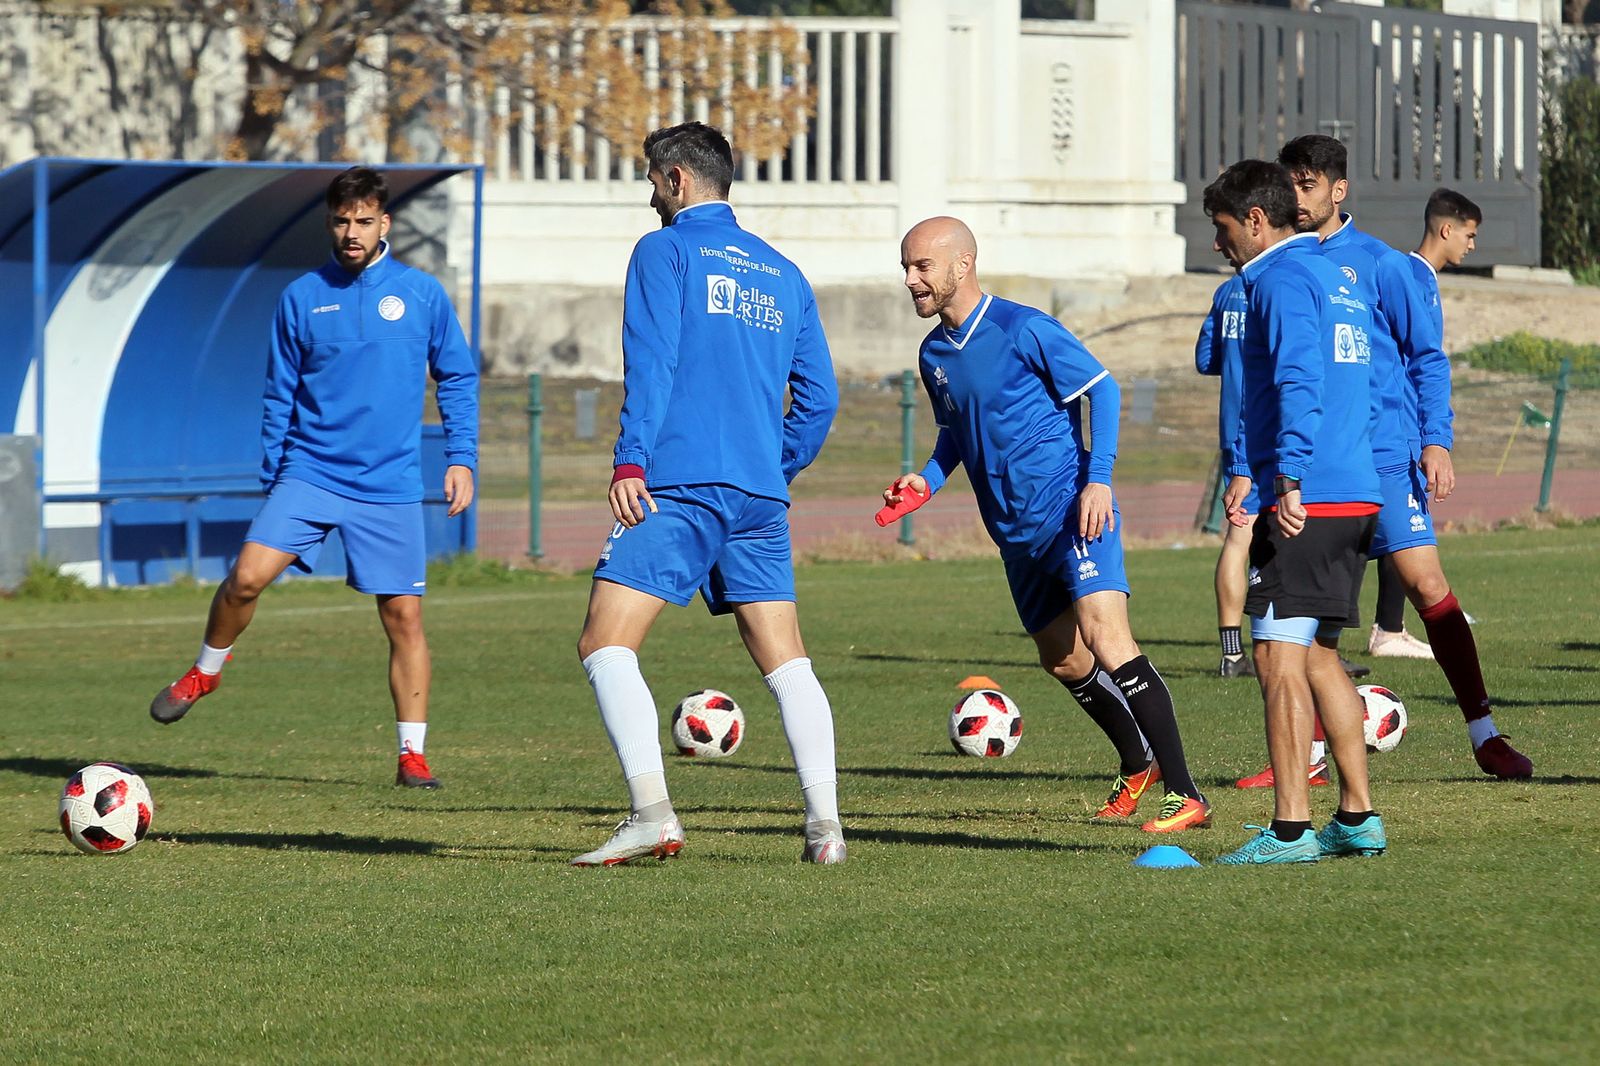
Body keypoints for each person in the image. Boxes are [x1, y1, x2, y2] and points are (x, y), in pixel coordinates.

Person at [147, 166, 479, 790]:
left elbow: (456, 377)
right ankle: (205, 671)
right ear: (329, 223)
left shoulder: (422, 294)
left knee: (403, 619)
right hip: (311, 471)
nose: (352, 232)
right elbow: (280, 392)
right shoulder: (301, 297)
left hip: (388, 485)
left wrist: (462, 458)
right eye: (341, 221)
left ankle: (412, 755)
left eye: (364, 221)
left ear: (384, 223)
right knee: (245, 578)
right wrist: (276, 474)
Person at [572, 121, 843, 867]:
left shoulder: (665, 250)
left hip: (679, 482)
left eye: (652, 182)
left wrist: (631, 463)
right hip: (758, 496)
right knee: (786, 660)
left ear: (677, 180)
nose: (650, 198)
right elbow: (820, 399)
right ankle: (826, 830)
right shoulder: (783, 272)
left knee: (605, 642)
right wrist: (771, 466)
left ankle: (652, 816)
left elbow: (651, 362)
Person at [884, 216, 1209, 833]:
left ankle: (1187, 794)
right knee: (1063, 660)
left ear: (962, 264)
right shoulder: (933, 354)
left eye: (921, 266)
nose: (910, 280)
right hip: (1014, 533)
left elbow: (1102, 390)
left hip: (1072, 510)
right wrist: (926, 480)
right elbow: (955, 431)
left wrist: (1099, 479)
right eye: (905, 267)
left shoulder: (1023, 328)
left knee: (1108, 640)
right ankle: (1136, 763)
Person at [1278, 137, 1532, 780]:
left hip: (1384, 458)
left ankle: (1484, 733)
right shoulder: (1283, 265)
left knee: (1428, 586)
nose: (1296, 197)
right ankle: (1307, 756)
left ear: (1338, 190)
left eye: (1307, 184)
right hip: (1316, 467)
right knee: (1304, 616)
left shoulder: (1382, 265)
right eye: (1290, 184)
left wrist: (1436, 439)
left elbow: (1426, 357)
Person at [1204, 159, 1387, 865]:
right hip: (1354, 488)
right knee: (1318, 656)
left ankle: (1289, 831)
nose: (1219, 243)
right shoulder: (1337, 276)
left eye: (1223, 227)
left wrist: (1288, 479)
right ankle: (1357, 817)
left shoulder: (1278, 279)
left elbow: (1298, 379)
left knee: (1276, 658)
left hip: (1309, 497)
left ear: (1255, 220)